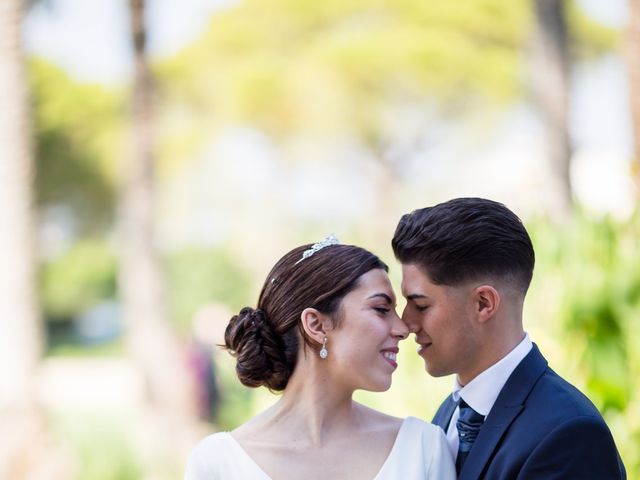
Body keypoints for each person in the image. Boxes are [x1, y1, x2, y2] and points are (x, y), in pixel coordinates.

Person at [392, 197, 627, 479]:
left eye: (420, 305)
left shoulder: (569, 432)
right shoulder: (449, 413)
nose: (405, 323)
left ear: (483, 303)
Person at [184, 235, 455, 480]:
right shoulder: (217, 463)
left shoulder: (422, 448)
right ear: (315, 325)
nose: (403, 328)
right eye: (382, 309)